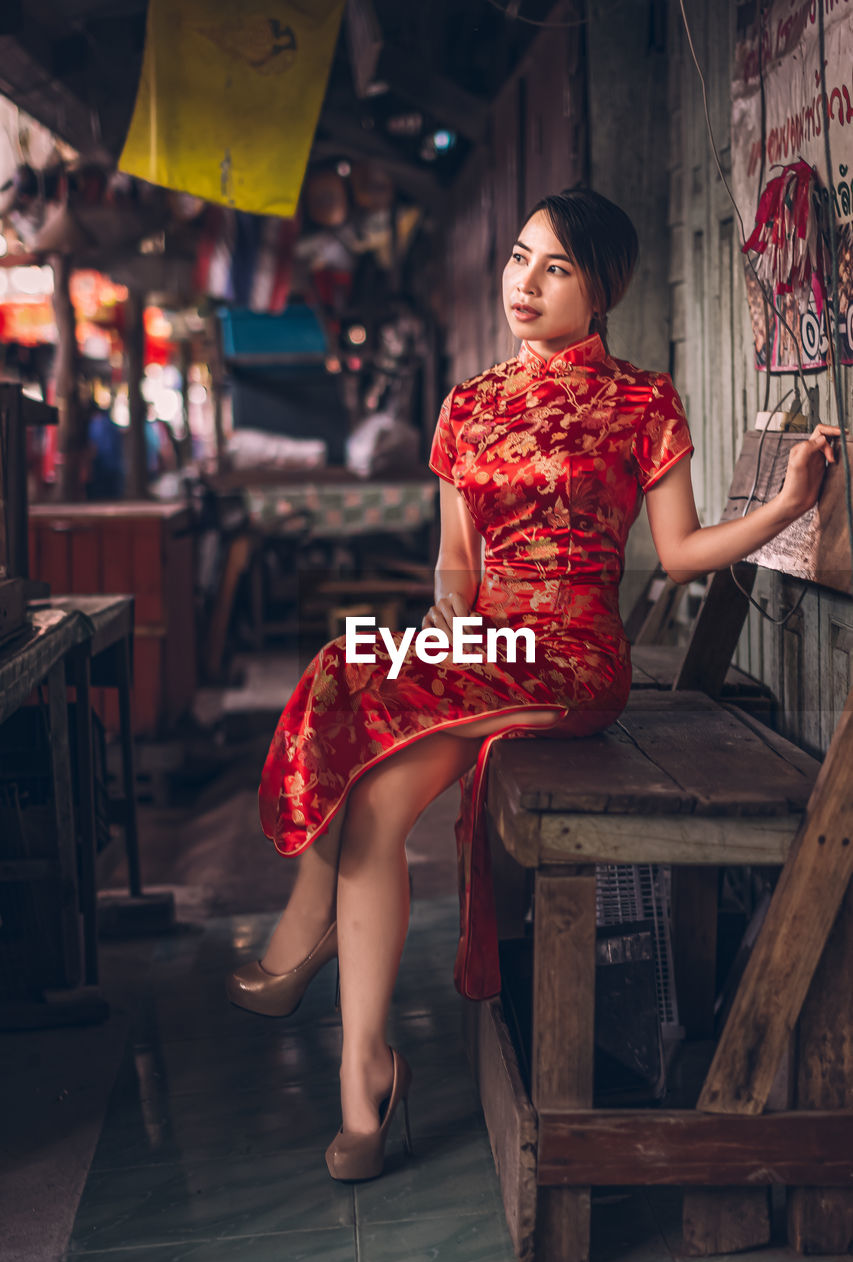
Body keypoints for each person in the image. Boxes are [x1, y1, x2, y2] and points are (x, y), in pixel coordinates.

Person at [227, 187, 839, 1183]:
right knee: (360, 708)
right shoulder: (465, 404)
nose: (525, 281)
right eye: (519, 257)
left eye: (554, 267)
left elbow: (680, 554)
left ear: (601, 291)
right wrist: (447, 622)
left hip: (572, 658)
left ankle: (304, 935)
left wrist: (784, 505)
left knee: (361, 699)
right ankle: (364, 1074)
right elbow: (452, 563)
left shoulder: (643, 399)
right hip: (485, 645)